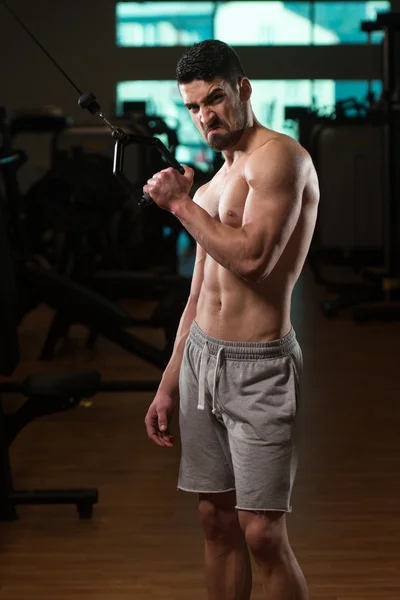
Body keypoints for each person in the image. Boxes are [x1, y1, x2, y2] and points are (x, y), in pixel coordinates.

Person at [144, 39, 319, 600]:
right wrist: (169, 381)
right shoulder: (218, 179)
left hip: (259, 366)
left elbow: (252, 260)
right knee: (215, 523)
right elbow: (198, 294)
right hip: (201, 359)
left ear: (243, 89)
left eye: (215, 99)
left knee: (262, 532)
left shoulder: (281, 158)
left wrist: (178, 205)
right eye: (193, 107)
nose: (205, 117)